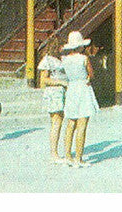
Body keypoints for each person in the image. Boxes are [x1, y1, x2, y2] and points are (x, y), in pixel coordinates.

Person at [60, 31, 98, 167]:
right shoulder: (83, 58)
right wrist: (87, 78)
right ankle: (79, 158)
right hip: (83, 88)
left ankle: (67, 156)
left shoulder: (65, 59)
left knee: (70, 123)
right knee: (82, 124)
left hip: (72, 89)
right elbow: (91, 74)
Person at [37, 46, 68, 163]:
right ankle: (54, 153)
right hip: (54, 92)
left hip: (62, 91)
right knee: (56, 122)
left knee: (59, 122)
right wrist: (60, 82)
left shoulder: (62, 59)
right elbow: (43, 80)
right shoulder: (48, 60)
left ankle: (57, 152)